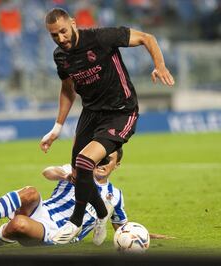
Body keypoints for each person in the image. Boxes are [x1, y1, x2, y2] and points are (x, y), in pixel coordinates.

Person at [39, 8, 175, 244]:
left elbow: (147, 38)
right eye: (54, 35)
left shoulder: (101, 37)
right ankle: (103, 213)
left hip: (120, 111)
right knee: (77, 174)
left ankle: (75, 222)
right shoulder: (61, 56)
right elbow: (67, 90)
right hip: (91, 113)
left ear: (72, 23)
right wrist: (57, 127)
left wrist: (160, 65)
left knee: (84, 162)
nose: (61, 38)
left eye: (63, 31)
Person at [0, 148, 170, 246]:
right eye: (102, 158)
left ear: (117, 165)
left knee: (19, 224)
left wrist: (144, 234)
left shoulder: (116, 196)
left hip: (58, 231)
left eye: (110, 160)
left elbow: (122, 228)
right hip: (42, 210)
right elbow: (47, 172)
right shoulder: (77, 169)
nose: (103, 162)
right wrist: (66, 174)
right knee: (31, 191)